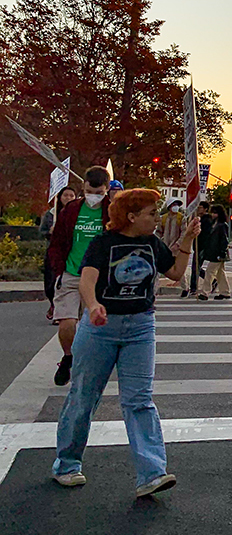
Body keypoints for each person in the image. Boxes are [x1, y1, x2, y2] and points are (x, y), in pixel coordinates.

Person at [52, 188, 199, 496]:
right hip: (100, 328)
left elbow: (174, 272)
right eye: (151, 213)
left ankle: (151, 473)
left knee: (140, 400)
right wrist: (92, 305)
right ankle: (67, 464)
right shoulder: (104, 243)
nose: (156, 218)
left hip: (141, 326)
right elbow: (87, 280)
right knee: (83, 397)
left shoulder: (151, 244)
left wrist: (187, 239)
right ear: (132, 217)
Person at [46, 167, 111, 387]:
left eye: (99, 192)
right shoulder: (72, 210)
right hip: (71, 272)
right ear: (83, 186)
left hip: (98, 277)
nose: (94, 196)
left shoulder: (112, 211)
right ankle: (68, 357)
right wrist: (58, 269)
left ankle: (90, 363)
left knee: (94, 324)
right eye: (90, 191)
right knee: (66, 322)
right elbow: (56, 243)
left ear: (107, 189)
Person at [41, 186, 77, 312]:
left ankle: (61, 309)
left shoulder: (77, 214)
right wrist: (50, 232)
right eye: (65, 195)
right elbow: (42, 231)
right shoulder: (51, 214)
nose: (68, 198)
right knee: (50, 281)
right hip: (54, 252)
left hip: (71, 252)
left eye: (71, 195)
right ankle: (53, 303)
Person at [197, 205, 230, 300]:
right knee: (220, 273)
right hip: (214, 252)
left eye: (215, 213)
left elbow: (224, 240)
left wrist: (221, 252)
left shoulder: (222, 225)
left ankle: (205, 292)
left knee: (209, 272)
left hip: (218, 253)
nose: (213, 214)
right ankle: (225, 292)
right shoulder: (214, 224)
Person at [156, 200, 187, 290]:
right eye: (174, 205)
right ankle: (155, 288)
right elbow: (159, 232)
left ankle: (185, 288)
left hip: (177, 248)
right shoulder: (163, 218)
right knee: (159, 267)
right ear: (169, 207)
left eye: (177, 205)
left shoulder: (181, 218)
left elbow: (183, 233)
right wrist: (158, 243)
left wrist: (178, 244)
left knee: (179, 268)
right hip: (165, 246)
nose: (176, 206)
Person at [185, 201, 212, 298]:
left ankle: (193, 288)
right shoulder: (198, 219)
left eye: (200, 207)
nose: (199, 209)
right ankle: (212, 281)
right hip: (198, 246)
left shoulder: (206, 220)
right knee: (197, 267)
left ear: (205, 209)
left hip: (202, 246)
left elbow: (205, 234)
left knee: (195, 267)